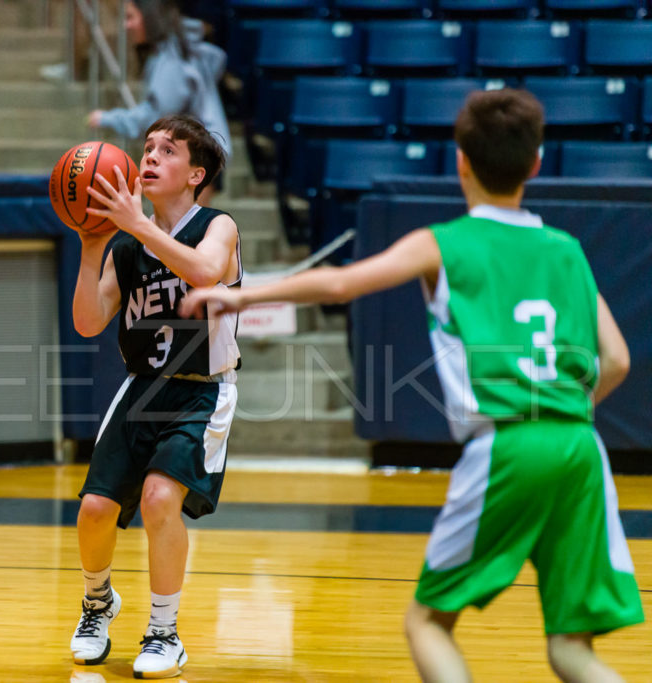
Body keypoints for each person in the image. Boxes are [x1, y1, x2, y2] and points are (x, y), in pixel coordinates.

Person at [181, 88, 644, 681]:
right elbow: (619, 360)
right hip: (581, 448)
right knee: (571, 649)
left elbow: (341, 285)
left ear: (460, 161)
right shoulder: (569, 251)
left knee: (427, 624)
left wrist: (241, 292)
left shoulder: (443, 243)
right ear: (536, 163)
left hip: (508, 445)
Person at [68, 114, 239, 679]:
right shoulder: (127, 247)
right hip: (142, 389)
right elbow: (90, 323)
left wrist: (137, 227)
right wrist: (92, 245)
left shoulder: (218, 226)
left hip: (200, 393)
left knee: (160, 499)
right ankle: (98, 604)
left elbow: (208, 273)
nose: (150, 156)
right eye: (147, 147)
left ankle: (164, 632)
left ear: (195, 175)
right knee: (94, 509)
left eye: (167, 150)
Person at [86, 0, 231, 204]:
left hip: (197, 155)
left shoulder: (172, 59)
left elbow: (157, 118)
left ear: (149, 18)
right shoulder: (173, 52)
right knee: (179, 234)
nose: (125, 26)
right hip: (196, 153)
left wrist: (109, 118)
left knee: (179, 235)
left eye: (130, 18)